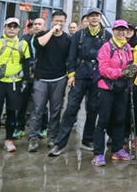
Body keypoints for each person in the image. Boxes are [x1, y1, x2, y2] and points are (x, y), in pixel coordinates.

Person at [48, 8, 111, 156]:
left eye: (97, 16)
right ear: (87, 19)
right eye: (91, 16)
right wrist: (71, 75)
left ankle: (87, 140)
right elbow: (71, 56)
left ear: (100, 18)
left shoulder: (107, 36)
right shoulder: (79, 35)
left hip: (98, 76)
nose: (94, 19)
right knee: (71, 108)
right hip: (81, 75)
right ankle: (59, 143)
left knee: (93, 109)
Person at [0, 18, 32, 153]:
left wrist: (25, 81)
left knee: (12, 112)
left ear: (19, 29)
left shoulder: (23, 44)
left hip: (14, 83)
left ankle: (9, 140)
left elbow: (26, 64)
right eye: (9, 26)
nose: (12, 29)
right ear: (4, 27)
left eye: (15, 27)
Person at [91, 20, 136, 166]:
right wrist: (122, 73)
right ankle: (98, 153)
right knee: (103, 120)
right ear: (114, 30)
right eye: (118, 29)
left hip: (122, 88)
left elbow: (129, 64)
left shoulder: (127, 47)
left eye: (124, 30)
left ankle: (118, 150)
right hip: (106, 88)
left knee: (120, 119)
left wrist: (132, 69)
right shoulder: (106, 47)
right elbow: (103, 69)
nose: (121, 32)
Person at [27, 10, 71, 152]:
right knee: (37, 109)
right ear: (51, 21)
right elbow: (39, 45)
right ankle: (33, 138)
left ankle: (52, 136)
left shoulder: (68, 39)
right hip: (41, 78)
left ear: (65, 22)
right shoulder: (41, 35)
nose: (59, 23)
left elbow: (70, 58)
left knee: (56, 110)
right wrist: (52, 31)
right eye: (56, 20)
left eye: (61, 21)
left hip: (59, 78)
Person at [15, 18, 45, 139]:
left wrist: (35, 68)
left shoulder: (46, 39)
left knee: (41, 103)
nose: (35, 27)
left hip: (41, 74)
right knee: (22, 102)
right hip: (26, 75)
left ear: (43, 27)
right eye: (32, 26)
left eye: (38, 25)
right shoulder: (24, 40)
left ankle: (43, 127)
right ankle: (20, 127)